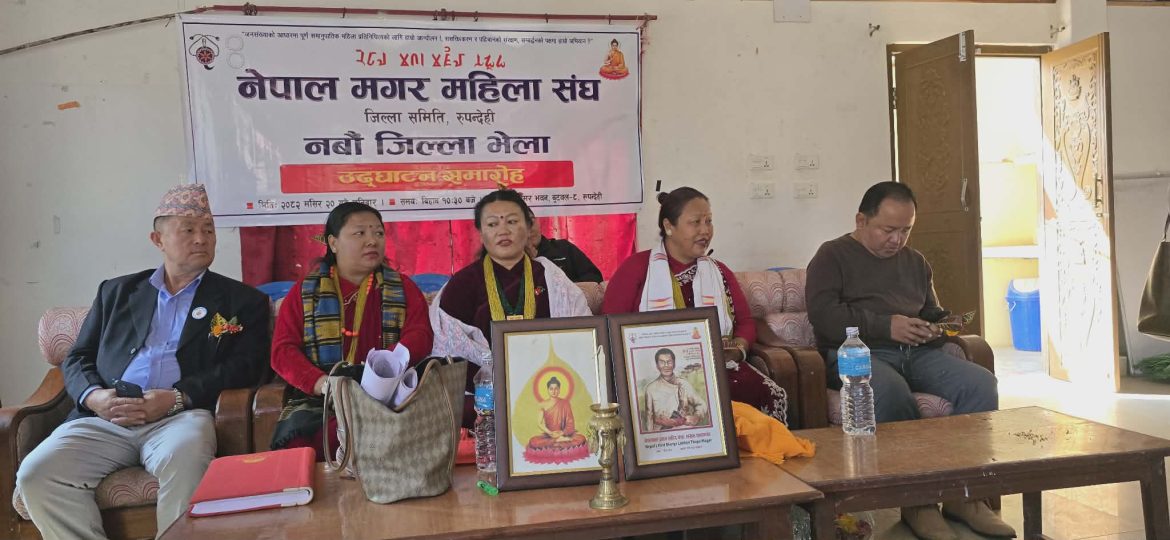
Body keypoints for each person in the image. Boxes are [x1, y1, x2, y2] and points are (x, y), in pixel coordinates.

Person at [16, 184, 271, 539]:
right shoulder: (117, 291)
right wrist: (94, 397)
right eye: (188, 230)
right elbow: (77, 356)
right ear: (158, 239)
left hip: (180, 417)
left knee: (187, 460)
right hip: (106, 418)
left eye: (209, 230)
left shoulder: (242, 300)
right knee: (37, 474)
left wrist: (177, 397)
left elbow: (247, 366)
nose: (202, 239)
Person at [805, 181, 1011, 540]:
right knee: (890, 390)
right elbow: (824, 316)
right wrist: (886, 326)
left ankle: (966, 497)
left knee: (980, 384)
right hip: (857, 354)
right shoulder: (832, 256)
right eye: (888, 230)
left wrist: (938, 325)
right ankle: (918, 504)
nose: (897, 240)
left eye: (906, 231)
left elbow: (930, 309)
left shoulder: (915, 262)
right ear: (861, 220)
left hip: (917, 353)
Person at [603, 187, 788, 425]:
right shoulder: (637, 269)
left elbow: (745, 323)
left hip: (718, 366)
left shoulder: (719, 272)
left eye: (709, 221)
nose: (705, 230)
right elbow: (610, 328)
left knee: (765, 393)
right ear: (669, 226)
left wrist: (737, 349)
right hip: (652, 371)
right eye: (695, 222)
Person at [269, 202, 433, 459]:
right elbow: (283, 351)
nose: (372, 241)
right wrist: (323, 384)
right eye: (360, 233)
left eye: (378, 233)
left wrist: (381, 373)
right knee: (303, 444)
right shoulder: (306, 291)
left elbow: (420, 336)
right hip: (324, 398)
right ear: (333, 243)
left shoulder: (402, 288)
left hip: (389, 393)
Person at [430, 189, 591, 427]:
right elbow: (451, 353)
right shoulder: (462, 284)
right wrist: (496, 376)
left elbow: (581, 336)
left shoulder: (553, 280)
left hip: (549, 386)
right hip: (485, 395)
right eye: (492, 224)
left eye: (512, 222)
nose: (503, 231)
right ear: (480, 232)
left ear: (529, 227)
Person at [524, 210, 604, 283]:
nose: (530, 229)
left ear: (537, 221)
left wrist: (568, 289)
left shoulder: (564, 248)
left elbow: (595, 278)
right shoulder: (517, 260)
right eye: (523, 225)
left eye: (531, 221)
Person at [525, 377, 588, 463]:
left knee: (581, 438)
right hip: (549, 435)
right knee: (533, 441)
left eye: (556, 389)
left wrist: (562, 433)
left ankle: (557, 441)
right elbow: (539, 423)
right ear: (548, 390)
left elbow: (570, 424)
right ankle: (557, 441)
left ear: (559, 390)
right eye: (551, 389)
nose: (554, 391)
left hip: (563, 434)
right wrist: (550, 433)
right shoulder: (543, 404)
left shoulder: (565, 403)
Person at [643, 348, 708, 432]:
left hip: (684, 431)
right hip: (661, 433)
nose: (666, 366)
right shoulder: (650, 389)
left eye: (669, 362)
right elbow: (649, 418)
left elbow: (701, 404)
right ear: (657, 365)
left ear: (674, 364)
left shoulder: (684, 384)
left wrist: (696, 417)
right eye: (662, 362)